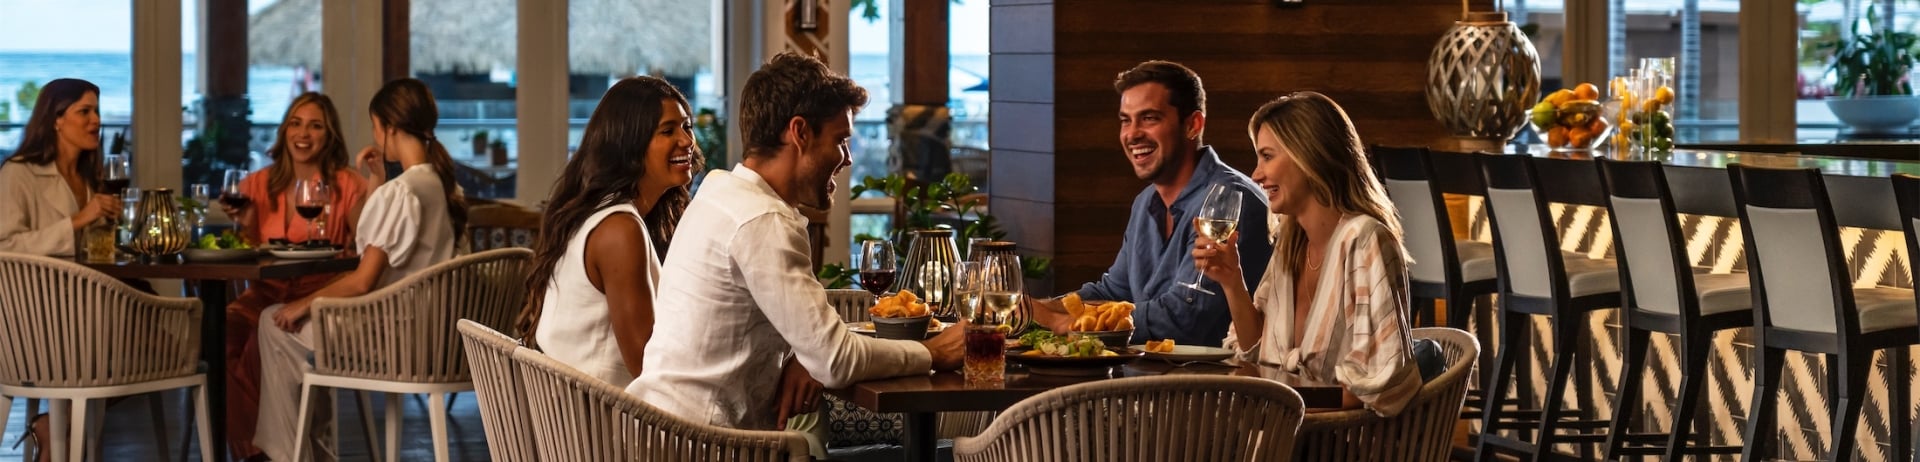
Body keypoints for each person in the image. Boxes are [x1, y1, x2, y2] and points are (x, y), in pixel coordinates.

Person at [631, 52, 965, 431]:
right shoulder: (763, 220)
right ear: (800, 132)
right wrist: (931, 353)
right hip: (703, 445)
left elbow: (813, 347)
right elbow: (837, 361)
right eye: (840, 140)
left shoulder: (720, 194)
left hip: (660, 430)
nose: (848, 159)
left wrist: (802, 355)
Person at [253, 78, 467, 460]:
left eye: (374, 126)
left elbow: (362, 282)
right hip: (436, 338)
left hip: (392, 340)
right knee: (291, 335)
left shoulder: (400, 193)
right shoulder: (441, 186)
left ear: (390, 128)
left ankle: (289, 456)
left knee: (273, 321)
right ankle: (310, 451)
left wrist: (303, 304)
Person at [1191, 91, 1422, 416]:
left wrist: (1275, 400)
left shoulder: (1364, 239)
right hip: (1282, 432)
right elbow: (1255, 352)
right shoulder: (1290, 242)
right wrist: (1232, 282)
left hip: (1340, 442)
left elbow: (1371, 387)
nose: (1255, 174)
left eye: (1267, 157)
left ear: (1309, 156)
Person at [1025, 61, 1274, 347]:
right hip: (1148, 382)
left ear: (1193, 125)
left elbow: (1184, 321)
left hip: (1215, 384)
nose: (1132, 134)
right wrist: (1034, 309)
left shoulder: (1231, 201)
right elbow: (1114, 291)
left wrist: (1063, 323)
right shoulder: (1145, 203)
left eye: (1149, 118)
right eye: (1125, 120)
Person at [515, 76, 700, 387]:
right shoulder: (619, 230)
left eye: (687, 126)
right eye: (668, 130)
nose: (686, 140)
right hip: (602, 426)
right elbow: (647, 366)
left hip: (571, 415)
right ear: (631, 144)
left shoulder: (600, 213)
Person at [220, 92, 370, 461]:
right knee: (218, 338)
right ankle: (258, 451)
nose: (304, 133)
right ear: (285, 129)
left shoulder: (347, 184)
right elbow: (245, 249)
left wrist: (376, 181)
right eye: (296, 123)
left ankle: (264, 453)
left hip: (318, 292)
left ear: (329, 135)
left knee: (258, 342)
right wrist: (245, 225)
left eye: (315, 125)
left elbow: (366, 242)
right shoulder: (256, 184)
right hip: (264, 290)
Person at [0, 78, 120, 256]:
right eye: (84, 111)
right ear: (56, 120)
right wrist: (77, 221)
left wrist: (119, 219)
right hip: (39, 283)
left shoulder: (89, 176)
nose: (96, 119)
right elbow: (6, 245)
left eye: (96, 111)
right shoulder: (18, 172)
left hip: (92, 281)